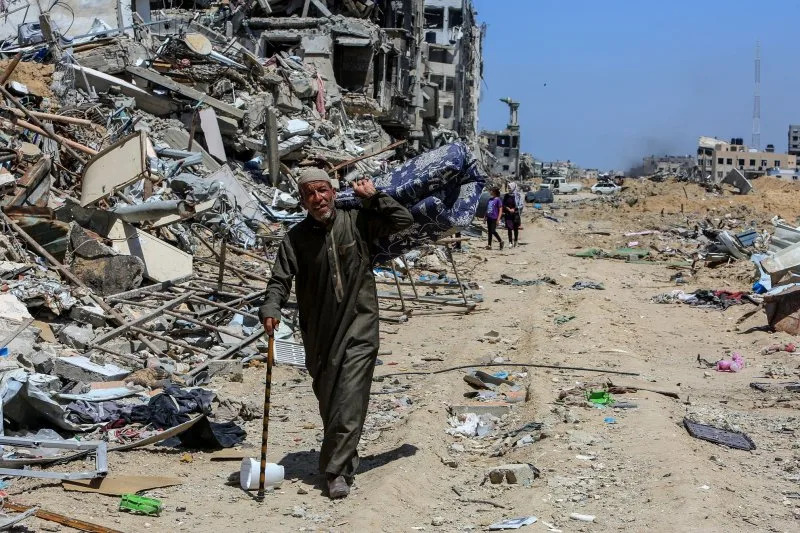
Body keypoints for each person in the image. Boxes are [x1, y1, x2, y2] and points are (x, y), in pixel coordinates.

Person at [259, 168, 414, 499]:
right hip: (320, 333)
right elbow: (279, 280)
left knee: (349, 397)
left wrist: (374, 197)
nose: (318, 199)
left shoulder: (357, 220)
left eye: (323, 191)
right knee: (331, 401)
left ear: (333, 191)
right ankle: (344, 457)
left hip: (359, 325)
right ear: (303, 201)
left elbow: (404, 221)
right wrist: (271, 308)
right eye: (310, 194)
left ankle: (335, 472)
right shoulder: (296, 238)